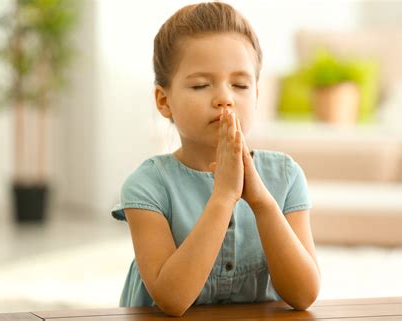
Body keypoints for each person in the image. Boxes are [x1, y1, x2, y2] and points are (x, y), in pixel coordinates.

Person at [111, 2, 320, 317]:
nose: (225, 97)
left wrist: (261, 201)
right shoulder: (147, 186)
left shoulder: (286, 176)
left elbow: (304, 295)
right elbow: (172, 299)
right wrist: (223, 197)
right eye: (200, 85)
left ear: (257, 95)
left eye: (240, 85)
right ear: (163, 100)